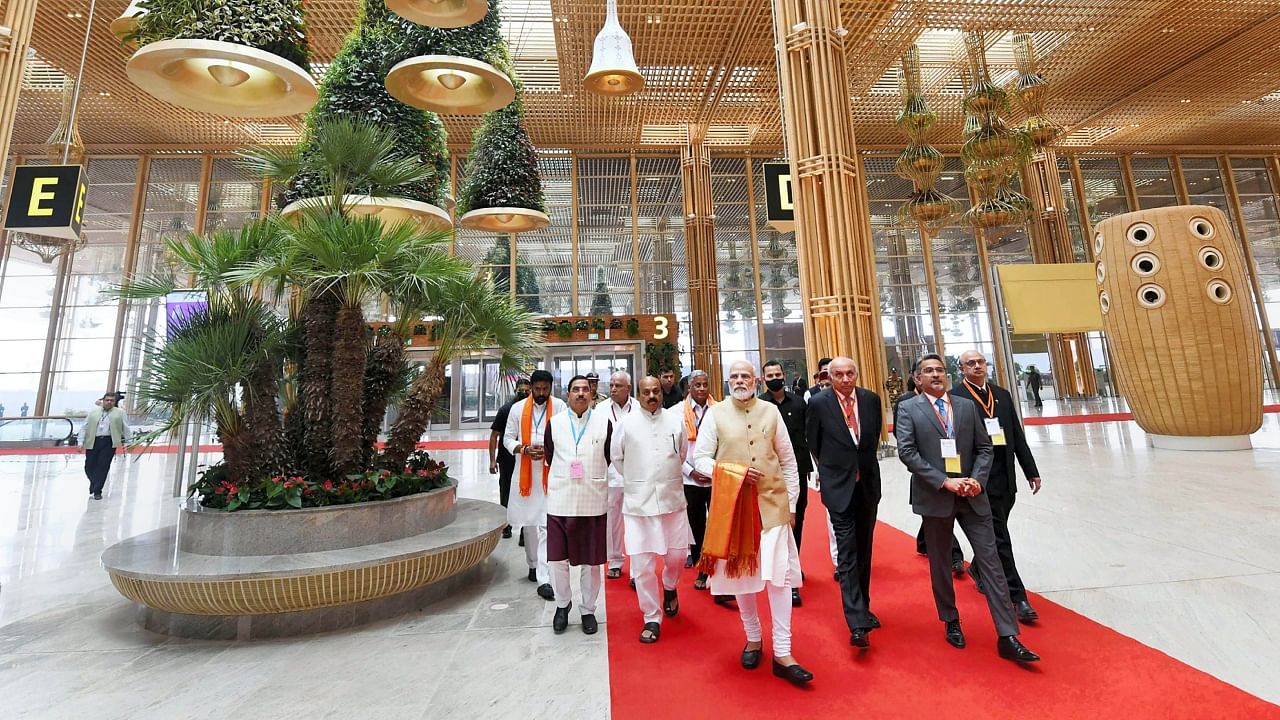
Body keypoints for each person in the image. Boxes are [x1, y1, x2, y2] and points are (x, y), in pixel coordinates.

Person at [895, 354, 1040, 663]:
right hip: (936, 496)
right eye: (928, 371)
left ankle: (1007, 634)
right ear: (918, 380)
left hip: (973, 495)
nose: (935, 375)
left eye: (939, 370)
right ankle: (950, 619)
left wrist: (976, 479)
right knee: (941, 563)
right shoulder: (908, 408)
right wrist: (944, 481)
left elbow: (985, 447)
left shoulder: (965, 406)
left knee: (991, 562)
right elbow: (907, 452)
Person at [691, 360, 812, 686]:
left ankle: (783, 652)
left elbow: (788, 461)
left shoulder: (770, 412)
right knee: (742, 576)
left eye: (746, 376)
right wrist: (733, 472)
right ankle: (754, 638)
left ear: (756, 380)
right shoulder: (715, 415)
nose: (740, 381)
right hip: (734, 506)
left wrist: (790, 504)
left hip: (772, 506)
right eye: (734, 376)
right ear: (728, 381)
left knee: (780, 579)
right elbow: (699, 458)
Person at [951, 350, 1043, 623]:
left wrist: (1031, 470)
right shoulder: (957, 398)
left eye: (981, 362)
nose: (977, 366)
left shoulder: (1001, 395)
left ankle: (979, 568)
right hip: (978, 479)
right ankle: (1018, 597)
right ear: (961, 368)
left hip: (1005, 477)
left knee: (997, 531)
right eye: (971, 363)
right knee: (1000, 537)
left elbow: (1016, 434)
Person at [806, 357, 883, 648]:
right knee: (848, 553)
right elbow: (815, 443)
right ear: (829, 377)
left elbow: (871, 439)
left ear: (857, 374)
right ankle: (856, 621)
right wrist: (831, 472)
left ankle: (863, 605)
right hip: (838, 488)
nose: (845, 379)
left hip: (867, 487)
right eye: (838, 374)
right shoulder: (819, 403)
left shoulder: (871, 400)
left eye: (850, 373)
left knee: (864, 550)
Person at [611, 376, 692, 643]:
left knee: (677, 556)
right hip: (638, 503)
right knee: (643, 565)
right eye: (646, 392)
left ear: (661, 392)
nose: (652, 396)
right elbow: (617, 458)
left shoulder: (674, 420)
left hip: (672, 500)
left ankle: (670, 586)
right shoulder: (626, 424)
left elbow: (681, 453)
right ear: (639, 395)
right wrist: (639, 479)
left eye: (656, 391)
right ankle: (651, 617)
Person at [543, 376, 612, 635]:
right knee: (556, 560)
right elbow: (550, 455)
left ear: (592, 394)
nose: (581, 394)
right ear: (568, 394)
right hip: (561, 499)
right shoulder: (555, 423)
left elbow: (609, 456)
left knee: (591, 563)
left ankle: (588, 609)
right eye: (576, 390)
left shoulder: (604, 423)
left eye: (585, 389)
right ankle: (563, 604)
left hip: (592, 500)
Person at [503, 369, 563, 600]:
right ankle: (532, 564)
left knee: (546, 523)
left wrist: (549, 451)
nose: (540, 393)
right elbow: (507, 438)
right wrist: (524, 449)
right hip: (525, 473)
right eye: (536, 389)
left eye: (544, 389)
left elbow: (565, 434)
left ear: (550, 388)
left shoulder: (559, 406)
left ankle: (544, 577)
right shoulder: (517, 409)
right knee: (529, 523)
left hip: (550, 471)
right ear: (531, 388)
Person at [759, 360, 812, 607]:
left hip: (796, 472)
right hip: (767, 475)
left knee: (795, 521)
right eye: (770, 375)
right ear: (763, 378)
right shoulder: (759, 405)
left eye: (778, 374)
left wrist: (814, 468)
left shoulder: (799, 403)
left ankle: (793, 571)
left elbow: (808, 437)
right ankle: (774, 569)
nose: (775, 378)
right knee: (771, 525)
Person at [679, 370, 716, 590]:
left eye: (705, 384)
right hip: (690, 478)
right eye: (697, 385)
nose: (702, 389)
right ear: (689, 388)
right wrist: (690, 472)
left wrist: (711, 470)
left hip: (715, 477)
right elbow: (674, 449)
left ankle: (715, 568)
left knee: (716, 525)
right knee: (696, 525)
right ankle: (701, 568)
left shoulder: (719, 410)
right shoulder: (676, 413)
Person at [489, 377, 530, 539]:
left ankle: (524, 530)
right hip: (507, 458)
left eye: (527, 390)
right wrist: (492, 460)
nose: (524, 393)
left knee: (527, 492)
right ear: (515, 390)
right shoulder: (505, 409)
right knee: (506, 491)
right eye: (521, 390)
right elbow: (494, 436)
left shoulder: (534, 410)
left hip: (526, 457)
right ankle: (506, 525)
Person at [603, 371, 634, 579]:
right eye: (611, 385)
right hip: (611, 472)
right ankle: (614, 560)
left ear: (628, 389)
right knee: (613, 519)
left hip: (635, 472)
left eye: (618, 386)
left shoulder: (639, 409)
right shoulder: (600, 410)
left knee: (635, 520)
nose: (613, 388)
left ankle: (636, 568)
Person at [82, 392, 131, 500]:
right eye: (107, 400)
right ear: (103, 400)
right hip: (93, 441)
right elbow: (85, 426)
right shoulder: (94, 412)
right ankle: (94, 483)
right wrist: (80, 441)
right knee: (89, 466)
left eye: (111, 400)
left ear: (114, 402)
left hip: (109, 442)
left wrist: (129, 442)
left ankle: (97, 490)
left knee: (103, 466)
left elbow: (126, 428)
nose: (109, 402)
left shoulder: (120, 413)